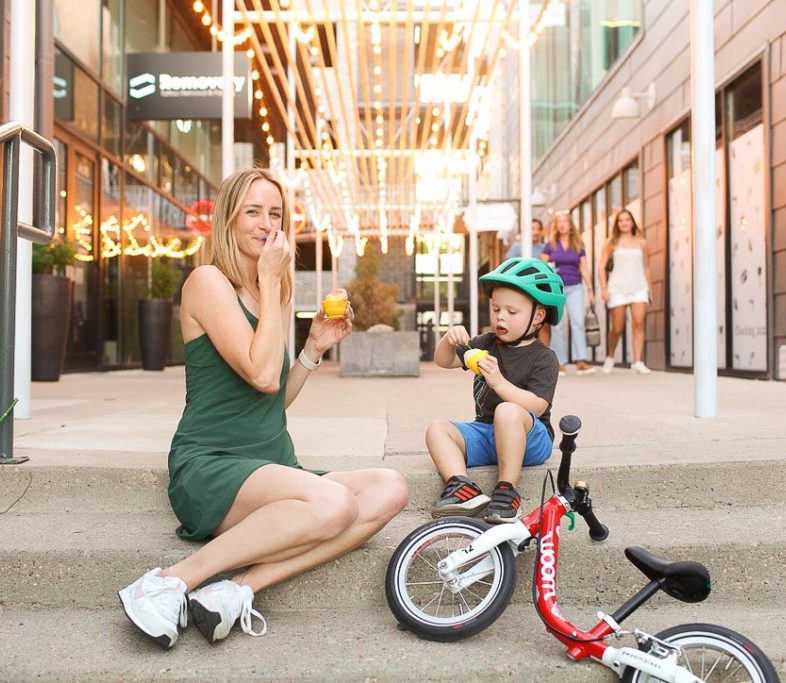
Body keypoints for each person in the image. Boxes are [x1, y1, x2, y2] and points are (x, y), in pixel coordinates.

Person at [119, 168, 409, 649]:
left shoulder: (269, 292)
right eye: (252, 212)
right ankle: (168, 581)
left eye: (274, 214)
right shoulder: (207, 281)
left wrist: (313, 349)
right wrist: (273, 285)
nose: (265, 224)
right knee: (335, 503)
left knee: (389, 488)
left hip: (269, 462)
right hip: (212, 465)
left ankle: (235, 589)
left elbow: (271, 397)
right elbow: (260, 373)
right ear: (229, 220)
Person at [425, 257, 563, 523]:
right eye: (496, 308)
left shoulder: (544, 358)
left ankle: (507, 490)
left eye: (512, 312)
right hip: (488, 432)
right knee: (437, 428)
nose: (501, 317)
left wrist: (499, 383)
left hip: (531, 438)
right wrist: (448, 338)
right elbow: (444, 361)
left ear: (538, 316)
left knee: (508, 411)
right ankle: (461, 487)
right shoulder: (487, 343)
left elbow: (536, 405)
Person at [540, 210, 595, 376]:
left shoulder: (578, 244)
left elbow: (584, 268)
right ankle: (560, 363)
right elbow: (541, 265)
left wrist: (590, 289)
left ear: (570, 224)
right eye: (559, 222)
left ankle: (581, 361)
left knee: (578, 322)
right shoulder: (551, 245)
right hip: (557, 288)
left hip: (575, 287)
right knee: (557, 326)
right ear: (556, 226)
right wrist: (550, 269)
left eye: (565, 221)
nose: (562, 225)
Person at [598, 208, 651, 374]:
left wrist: (649, 289)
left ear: (632, 222)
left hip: (639, 286)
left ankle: (637, 361)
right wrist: (604, 288)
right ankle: (610, 356)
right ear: (617, 224)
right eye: (621, 220)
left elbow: (647, 267)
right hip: (617, 287)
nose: (624, 223)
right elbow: (601, 267)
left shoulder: (642, 242)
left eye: (627, 219)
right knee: (617, 327)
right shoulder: (611, 242)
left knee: (638, 323)